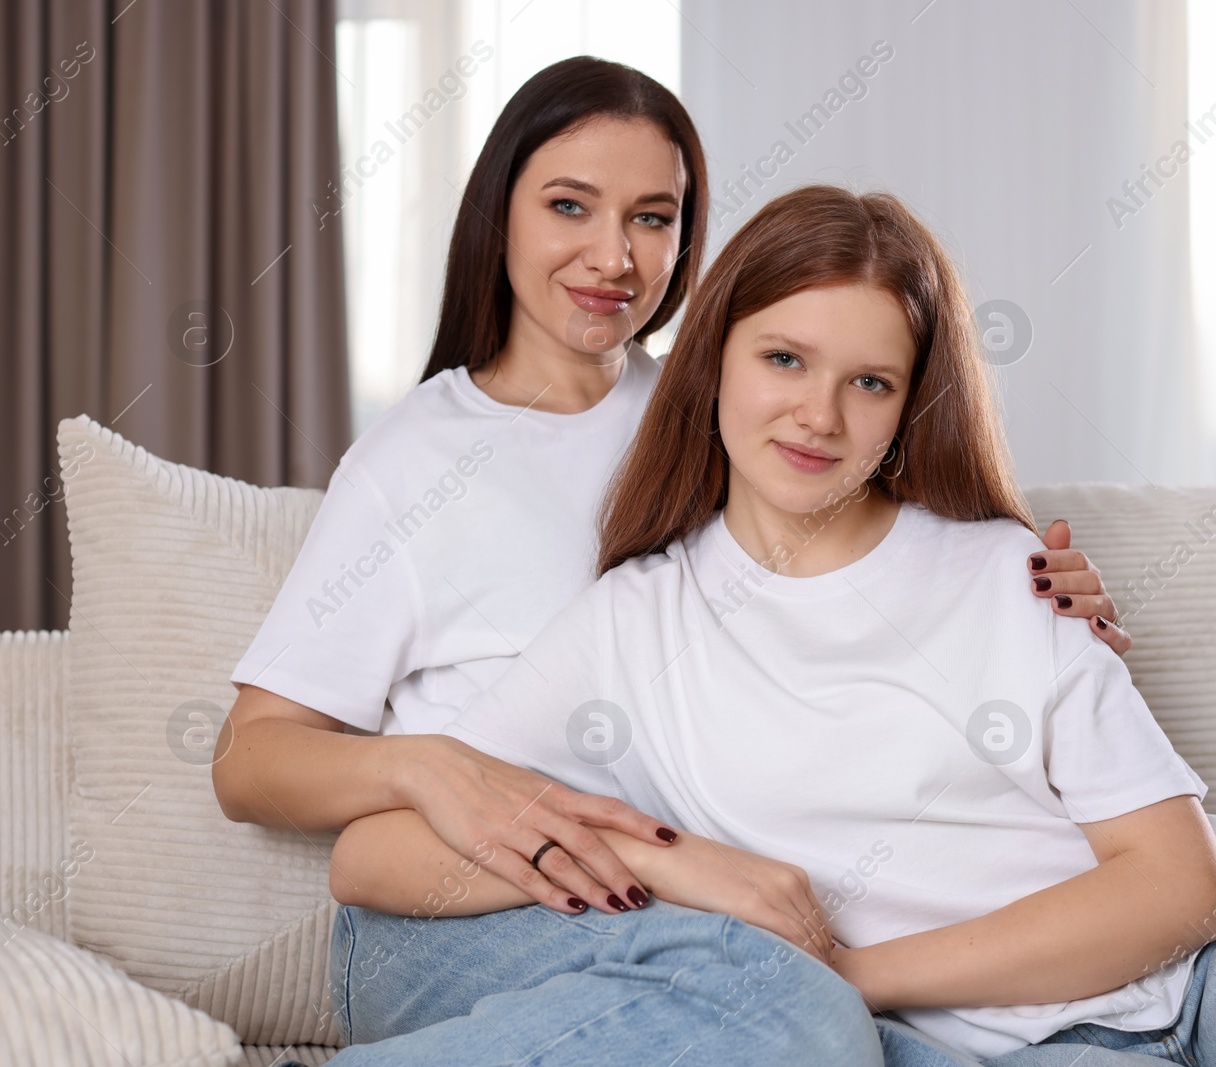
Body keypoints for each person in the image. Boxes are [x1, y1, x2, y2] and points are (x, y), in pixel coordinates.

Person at [330, 184, 1216, 1066]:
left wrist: (856, 973)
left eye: (869, 382)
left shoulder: (1003, 571)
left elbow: (1179, 884)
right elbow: (374, 854)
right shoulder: (635, 622)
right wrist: (668, 866)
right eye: (784, 358)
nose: (817, 416)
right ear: (712, 359)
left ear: (909, 401)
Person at [214, 58, 1121, 1065]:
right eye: (570, 205)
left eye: (652, 217)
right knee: (790, 1002)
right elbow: (251, 760)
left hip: (687, 903)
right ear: (498, 214)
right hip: (457, 910)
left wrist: (1040, 591)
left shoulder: (739, 406)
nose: (613, 254)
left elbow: (897, 569)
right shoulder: (414, 458)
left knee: (812, 1002)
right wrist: (426, 764)